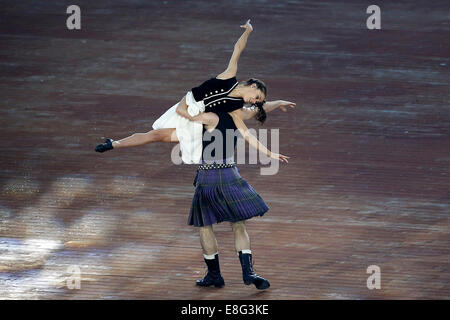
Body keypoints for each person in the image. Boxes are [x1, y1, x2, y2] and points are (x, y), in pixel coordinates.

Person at [94, 20, 295, 164]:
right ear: (253, 85)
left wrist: (269, 151)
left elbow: (252, 126)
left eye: (257, 100)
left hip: (196, 120)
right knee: (154, 134)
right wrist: (248, 31)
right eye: (257, 95)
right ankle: (115, 143)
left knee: (156, 136)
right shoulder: (229, 76)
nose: (255, 100)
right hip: (187, 105)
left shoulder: (236, 108)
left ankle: (115, 144)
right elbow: (237, 49)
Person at [187, 107, 289, 290]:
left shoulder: (206, 116)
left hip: (207, 177)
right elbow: (258, 108)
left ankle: (214, 275)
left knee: (204, 226)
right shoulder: (235, 114)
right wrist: (275, 102)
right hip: (230, 174)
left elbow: (178, 119)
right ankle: (248, 271)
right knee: (238, 224)